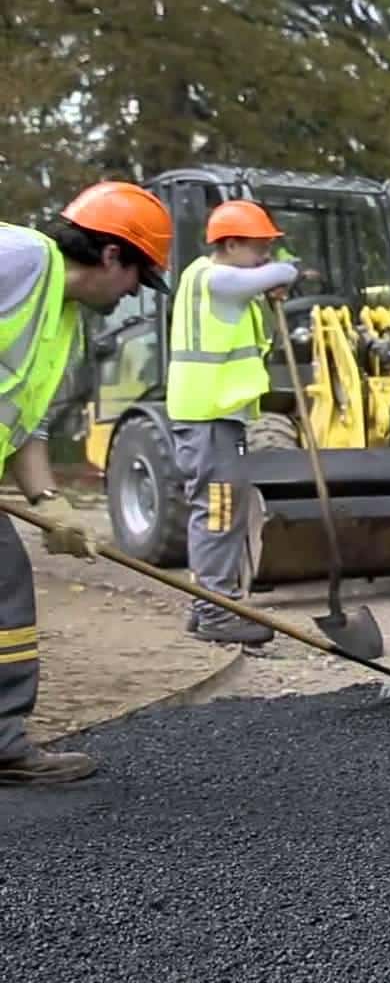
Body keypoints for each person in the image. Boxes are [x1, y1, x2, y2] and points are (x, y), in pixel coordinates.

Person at [1, 181, 173, 786]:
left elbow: (26, 422)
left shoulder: (66, 322)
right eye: (137, 278)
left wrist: (50, 502)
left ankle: (3, 741)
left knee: (5, 587)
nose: (132, 295)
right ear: (110, 257)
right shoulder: (18, 257)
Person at [166, 200, 300, 648]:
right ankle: (215, 611)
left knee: (221, 509)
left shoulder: (216, 283)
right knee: (220, 512)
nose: (265, 255)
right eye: (259, 246)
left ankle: (205, 605)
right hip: (208, 417)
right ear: (230, 243)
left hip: (217, 417)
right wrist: (282, 273)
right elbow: (277, 274)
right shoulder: (213, 278)